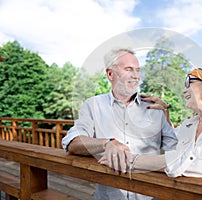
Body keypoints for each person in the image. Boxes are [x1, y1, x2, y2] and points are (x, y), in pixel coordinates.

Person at [62, 48, 177, 200]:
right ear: (110, 74)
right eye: (128, 69)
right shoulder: (93, 105)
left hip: (151, 195)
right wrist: (107, 143)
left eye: (137, 70)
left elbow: (177, 150)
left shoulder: (155, 108)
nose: (135, 76)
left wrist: (166, 113)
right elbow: (73, 142)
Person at [100, 65, 202, 179]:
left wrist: (131, 161)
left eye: (190, 82)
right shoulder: (189, 125)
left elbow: (192, 163)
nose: (184, 90)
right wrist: (164, 112)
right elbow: (172, 143)